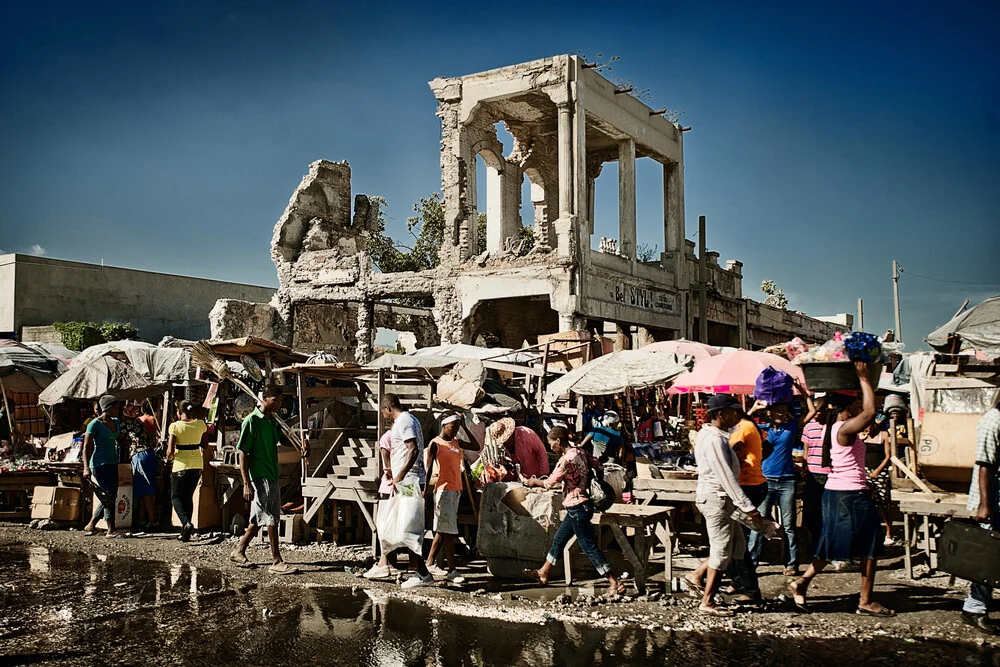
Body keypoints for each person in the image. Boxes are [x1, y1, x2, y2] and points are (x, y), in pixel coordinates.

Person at [790, 361, 895, 616]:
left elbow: (869, 415)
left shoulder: (832, 426)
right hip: (851, 494)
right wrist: (863, 377)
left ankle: (801, 582)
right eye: (856, 404)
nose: (860, 408)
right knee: (870, 546)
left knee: (831, 544)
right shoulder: (844, 428)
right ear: (848, 406)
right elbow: (871, 411)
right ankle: (866, 600)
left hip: (837, 493)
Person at [522, 426, 625, 596]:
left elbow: (549, 483)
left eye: (551, 443)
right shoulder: (581, 452)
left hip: (577, 507)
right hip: (582, 504)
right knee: (558, 540)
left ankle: (614, 582)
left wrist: (533, 482)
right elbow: (597, 464)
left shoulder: (566, 460)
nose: (550, 447)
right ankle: (543, 573)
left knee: (588, 545)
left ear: (558, 441)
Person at [685, 406, 768, 604]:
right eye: (732, 413)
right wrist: (747, 506)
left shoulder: (715, 434)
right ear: (720, 414)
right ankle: (707, 600)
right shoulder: (714, 439)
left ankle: (744, 589)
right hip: (718, 498)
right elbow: (726, 477)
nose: (736, 417)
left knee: (736, 546)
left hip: (722, 498)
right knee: (721, 551)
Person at [748, 385, 816, 576]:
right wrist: (754, 408)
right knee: (758, 522)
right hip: (766, 481)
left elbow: (812, 411)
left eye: (783, 410)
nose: (781, 413)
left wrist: (803, 392)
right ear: (768, 412)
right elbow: (739, 425)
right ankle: (752, 563)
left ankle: (791, 564)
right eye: (777, 410)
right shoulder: (760, 429)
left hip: (787, 482)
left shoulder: (791, 427)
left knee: (789, 525)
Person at [230, 385, 298, 574]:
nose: (279, 404)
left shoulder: (272, 421)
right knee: (270, 517)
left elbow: (281, 439)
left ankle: (239, 550)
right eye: (275, 400)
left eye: (280, 401)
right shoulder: (251, 421)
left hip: (272, 473)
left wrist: (299, 444)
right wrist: (246, 482)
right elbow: (243, 452)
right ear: (264, 399)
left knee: (261, 516)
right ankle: (276, 560)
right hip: (260, 475)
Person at [366, 393, 431, 588]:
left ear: (387, 408)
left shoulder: (403, 421)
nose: (383, 416)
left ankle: (422, 574)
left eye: (382, 412)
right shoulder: (410, 420)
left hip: (408, 482)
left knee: (408, 528)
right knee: (405, 526)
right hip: (408, 481)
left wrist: (400, 476)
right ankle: (414, 570)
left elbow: (413, 450)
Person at [424, 413, 481, 582]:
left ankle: (430, 562)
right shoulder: (436, 444)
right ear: (444, 426)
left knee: (445, 529)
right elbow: (428, 469)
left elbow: (476, 445)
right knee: (447, 531)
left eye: (457, 427)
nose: (455, 430)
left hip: (456, 490)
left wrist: (463, 426)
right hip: (444, 489)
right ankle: (451, 569)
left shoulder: (456, 442)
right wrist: (424, 489)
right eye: (453, 427)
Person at [961, 397, 1000, 635]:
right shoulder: (993, 420)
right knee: (988, 556)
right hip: (993, 501)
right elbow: (984, 464)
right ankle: (974, 607)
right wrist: (985, 505)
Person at [167, 401, 207, 542]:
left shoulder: (175, 426)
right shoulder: (201, 424)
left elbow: (170, 451)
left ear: (179, 412)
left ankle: (186, 523)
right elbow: (205, 444)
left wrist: (168, 456)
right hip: (197, 464)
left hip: (180, 465)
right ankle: (186, 533)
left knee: (176, 497)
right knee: (188, 497)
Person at [82, 395, 122, 538]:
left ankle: (91, 524)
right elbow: (86, 447)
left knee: (110, 495)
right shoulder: (94, 424)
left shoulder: (116, 422)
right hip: (99, 464)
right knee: (108, 494)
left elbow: (120, 440)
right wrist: (86, 467)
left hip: (112, 462)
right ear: (108, 408)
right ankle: (111, 529)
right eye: (115, 407)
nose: (118, 410)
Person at [801, 395, 831, 559]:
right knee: (811, 512)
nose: (818, 414)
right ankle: (814, 544)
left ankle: (825, 546)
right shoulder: (809, 427)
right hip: (812, 473)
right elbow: (806, 448)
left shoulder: (832, 427)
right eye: (816, 411)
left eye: (821, 411)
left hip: (828, 474)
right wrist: (805, 465)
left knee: (827, 512)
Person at [122, 402, 158, 531]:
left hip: (139, 455)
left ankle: (153, 521)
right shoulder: (139, 423)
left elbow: (120, 440)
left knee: (146, 489)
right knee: (143, 489)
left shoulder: (126, 425)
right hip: (149, 454)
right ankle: (142, 519)